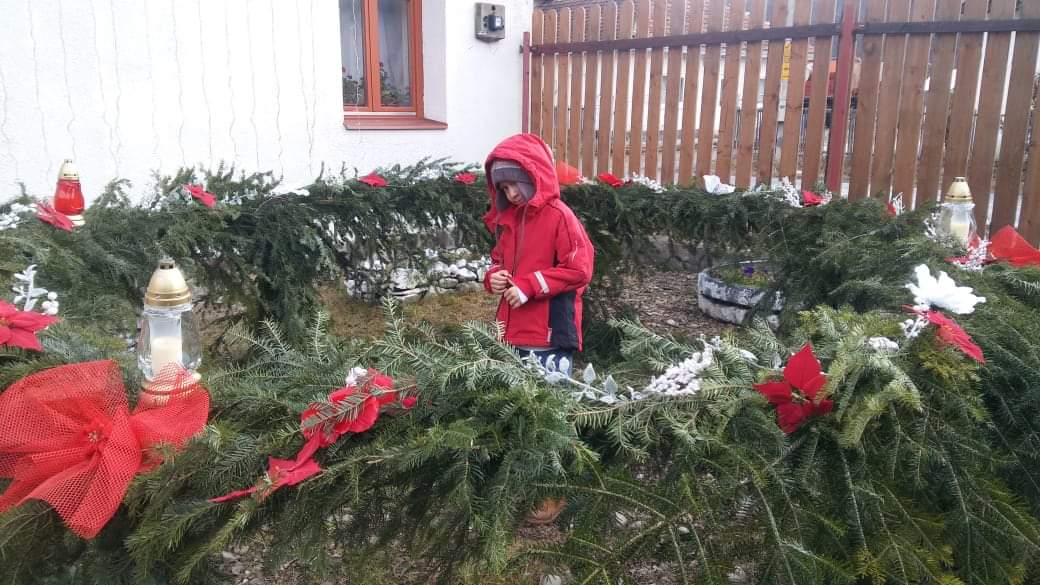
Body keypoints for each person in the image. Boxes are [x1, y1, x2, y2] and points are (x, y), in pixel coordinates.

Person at [482, 133, 594, 376]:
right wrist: (493, 276)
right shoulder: (510, 219)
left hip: (548, 335)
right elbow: (498, 259)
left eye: (514, 183)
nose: (511, 193)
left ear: (533, 174)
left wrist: (528, 286)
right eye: (504, 188)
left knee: (549, 402)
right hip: (511, 333)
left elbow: (579, 270)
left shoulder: (559, 216)